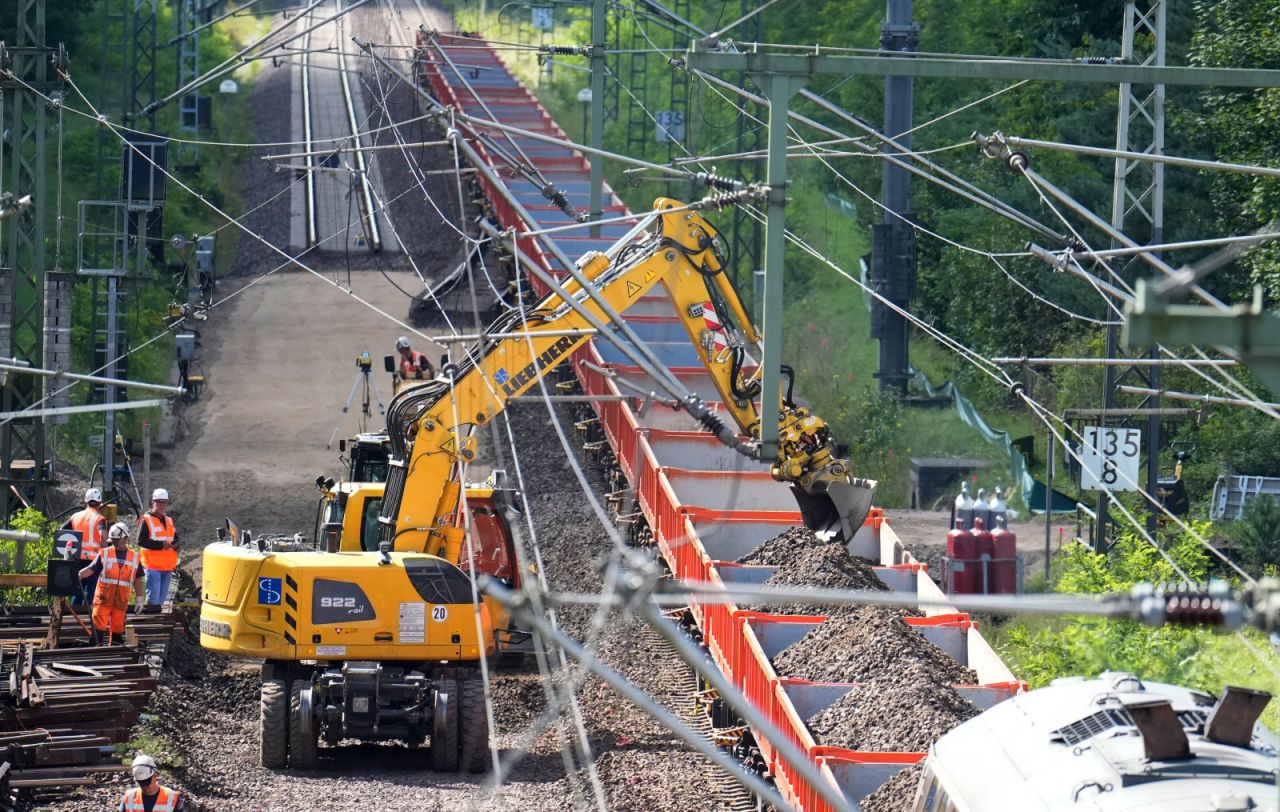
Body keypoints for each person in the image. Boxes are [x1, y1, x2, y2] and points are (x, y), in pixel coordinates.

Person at [79, 522, 145, 646]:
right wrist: (77, 575)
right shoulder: (105, 553)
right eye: (113, 540)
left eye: (117, 540)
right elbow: (91, 569)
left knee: (117, 630)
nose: (114, 543)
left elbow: (139, 578)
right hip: (103, 600)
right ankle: (94, 652)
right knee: (97, 629)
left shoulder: (135, 557)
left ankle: (114, 654)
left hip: (120, 602)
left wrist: (140, 599)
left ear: (126, 538)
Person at [63, 487, 107, 607]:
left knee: (77, 591)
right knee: (90, 591)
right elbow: (103, 534)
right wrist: (105, 555)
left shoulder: (75, 516)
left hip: (76, 559)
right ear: (99, 503)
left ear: (86, 502)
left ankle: (74, 618)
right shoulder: (99, 518)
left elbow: (62, 530)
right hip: (93, 560)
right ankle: (86, 619)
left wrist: (68, 552)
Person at [137, 488, 179, 606]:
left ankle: (156, 621)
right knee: (154, 601)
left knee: (161, 602)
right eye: (158, 502)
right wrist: (161, 545)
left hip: (167, 567)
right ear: (153, 503)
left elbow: (175, 537)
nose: (161, 505)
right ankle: (151, 622)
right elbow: (140, 541)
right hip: (153, 566)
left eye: (164, 503)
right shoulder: (146, 520)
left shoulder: (169, 520)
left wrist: (176, 545)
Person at [120, 754, 185, 812]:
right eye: (141, 782)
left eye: (146, 781)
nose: (144, 787)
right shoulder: (129, 797)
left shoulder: (172, 798)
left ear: (155, 775)